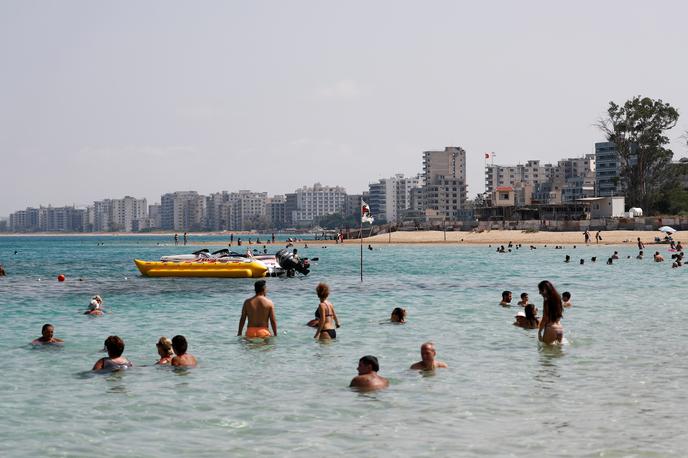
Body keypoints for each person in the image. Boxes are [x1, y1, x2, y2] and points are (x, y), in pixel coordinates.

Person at [537, 281, 564, 345]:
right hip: (560, 328)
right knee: (558, 352)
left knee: (546, 352)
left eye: (540, 290)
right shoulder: (558, 299)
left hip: (551, 328)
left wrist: (540, 331)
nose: (539, 293)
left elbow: (545, 318)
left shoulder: (546, 301)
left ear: (545, 290)